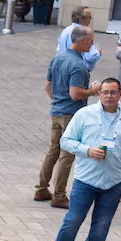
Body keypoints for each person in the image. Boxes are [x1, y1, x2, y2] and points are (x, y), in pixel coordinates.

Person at [43, 78, 121, 241]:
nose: (109, 96)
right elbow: (66, 141)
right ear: (99, 94)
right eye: (105, 92)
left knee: (101, 225)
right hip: (86, 179)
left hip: (114, 181)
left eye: (113, 92)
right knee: (72, 221)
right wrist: (87, 150)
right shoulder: (84, 114)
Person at [36, 23, 94, 203]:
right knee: (67, 154)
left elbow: (47, 86)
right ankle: (59, 195)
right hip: (71, 114)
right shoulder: (79, 65)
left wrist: (57, 101)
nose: (92, 45)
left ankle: (41, 188)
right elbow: (75, 93)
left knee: (52, 150)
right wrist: (93, 90)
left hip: (57, 110)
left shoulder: (57, 58)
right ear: (82, 41)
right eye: (91, 41)